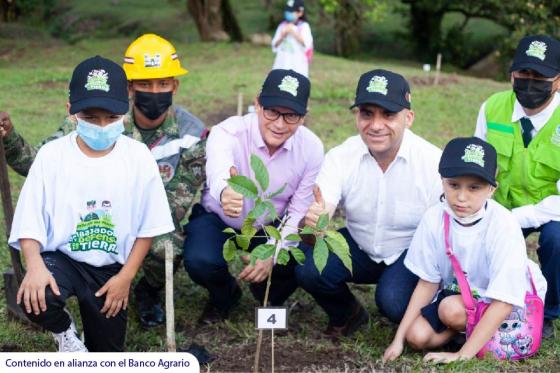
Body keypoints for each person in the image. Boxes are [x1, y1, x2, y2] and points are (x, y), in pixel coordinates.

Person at [0, 33, 206, 328]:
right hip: (95, 220)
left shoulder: (191, 133)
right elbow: (39, 163)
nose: (155, 91)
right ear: (130, 87)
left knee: (164, 245)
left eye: (163, 83)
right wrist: (10, 141)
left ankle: (148, 291)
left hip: (144, 219)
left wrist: (126, 224)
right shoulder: (97, 115)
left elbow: (174, 205)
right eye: (145, 84)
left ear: (175, 85)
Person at [8, 56, 174, 352]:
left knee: (105, 356)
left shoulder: (138, 157)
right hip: (63, 257)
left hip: (111, 267)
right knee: (38, 298)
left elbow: (150, 226)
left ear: (126, 109)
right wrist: (33, 265)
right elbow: (29, 219)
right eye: (90, 117)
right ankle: (64, 332)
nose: (101, 126)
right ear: (70, 111)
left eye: (111, 118)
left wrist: (125, 277)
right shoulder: (52, 156)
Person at [296, 69, 442, 338]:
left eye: (388, 115)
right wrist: (316, 221)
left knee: (393, 303)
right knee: (309, 268)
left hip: (409, 252)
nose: (375, 125)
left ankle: (415, 299)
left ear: (408, 118)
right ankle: (347, 313)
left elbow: (442, 236)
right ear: (356, 116)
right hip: (360, 244)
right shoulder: (341, 156)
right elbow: (324, 205)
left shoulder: (433, 163)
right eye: (367, 113)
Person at [383, 137, 547, 364]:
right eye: (454, 185)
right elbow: (428, 282)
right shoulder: (434, 217)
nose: (461, 197)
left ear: (491, 189)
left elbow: (504, 301)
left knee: (450, 309)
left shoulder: (503, 224)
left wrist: (462, 356)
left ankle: (468, 341)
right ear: (442, 181)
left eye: (474, 188)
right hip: (464, 296)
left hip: (503, 299)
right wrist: (398, 339)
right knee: (416, 337)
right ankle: (463, 331)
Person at [183, 69, 323, 324]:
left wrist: (273, 251)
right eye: (272, 111)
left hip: (270, 224)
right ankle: (224, 294)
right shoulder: (228, 132)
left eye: (291, 115)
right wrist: (226, 190)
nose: (280, 124)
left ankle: (270, 298)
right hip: (220, 219)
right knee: (200, 259)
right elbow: (218, 166)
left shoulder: (311, 148)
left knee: (292, 255)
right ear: (258, 104)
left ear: (303, 117)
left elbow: (299, 211)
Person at [474, 34, 560, 338]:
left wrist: (520, 217)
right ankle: (484, 300)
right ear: (512, 74)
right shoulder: (493, 107)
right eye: (524, 73)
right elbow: (478, 165)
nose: (530, 81)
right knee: (479, 238)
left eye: (540, 76)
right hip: (501, 205)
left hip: (551, 209)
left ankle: (547, 312)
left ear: (558, 81)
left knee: (556, 240)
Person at [271, 0, 313, 78]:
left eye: (291, 11)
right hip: (281, 65)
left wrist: (294, 32)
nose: (288, 13)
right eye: (287, 10)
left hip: (298, 68)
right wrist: (282, 35)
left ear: (300, 12)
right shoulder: (282, 26)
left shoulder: (304, 26)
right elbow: (274, 46)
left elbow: (307, 45)